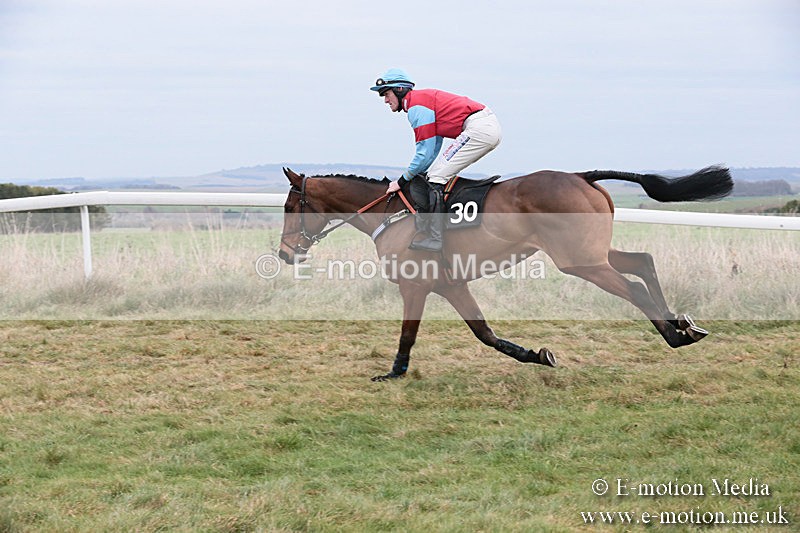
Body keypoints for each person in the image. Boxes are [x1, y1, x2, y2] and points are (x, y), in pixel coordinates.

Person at [370, 68, 502, 252]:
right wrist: (413, 174)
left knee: (435, 178)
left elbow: (423, 153)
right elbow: (431, 150)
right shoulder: (420, 102)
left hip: (478, 128)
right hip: (482, 126)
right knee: (432, 174)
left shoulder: (416, 107)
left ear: (399, 89)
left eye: (386, 94)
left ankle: (436, 238)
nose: (385, 100)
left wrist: (401, 181)